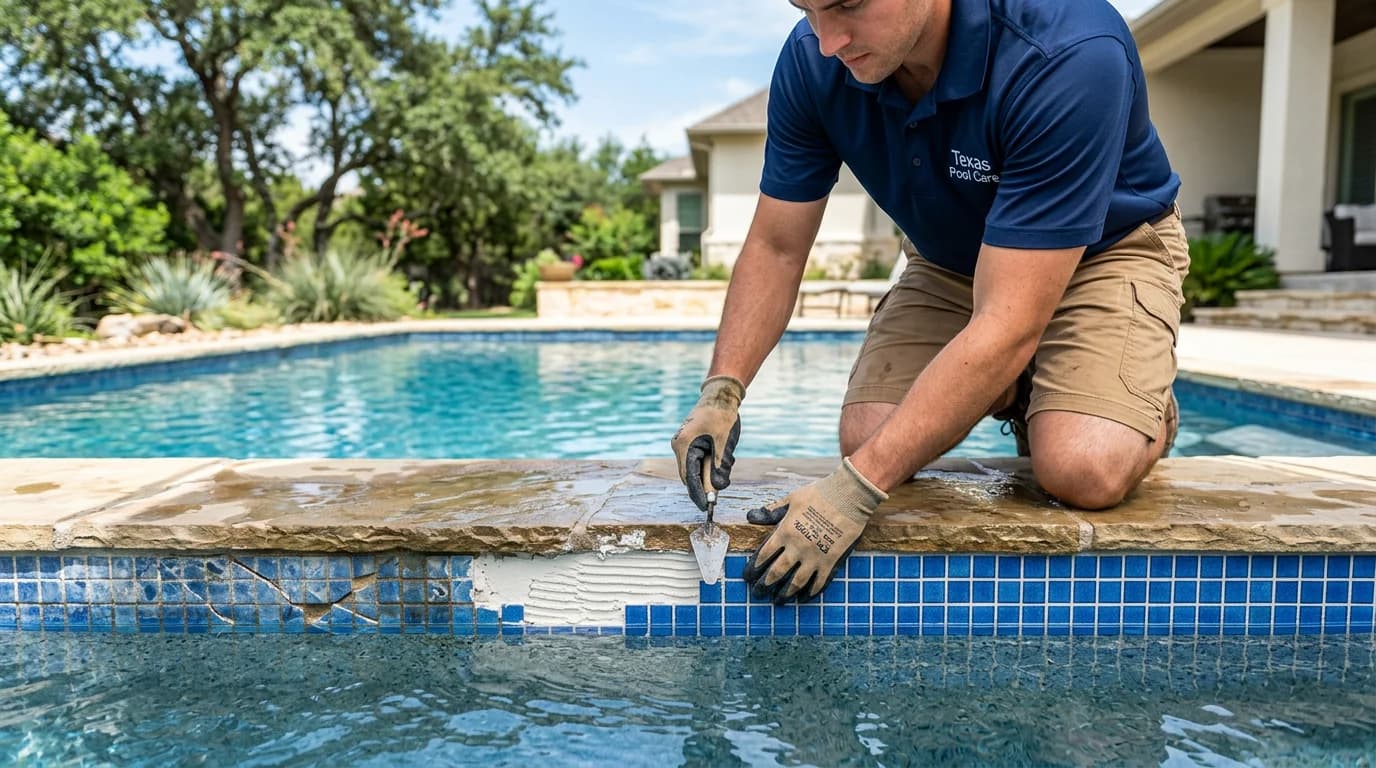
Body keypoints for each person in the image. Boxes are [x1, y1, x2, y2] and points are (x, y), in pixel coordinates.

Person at [670, 0, 1189, 605]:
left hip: (1105, 249)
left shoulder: (1069, 51)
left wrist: (852, 493)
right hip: (951, 261)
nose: (829, 39)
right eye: (808, 9)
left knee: (1082, 466)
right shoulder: (813, 60)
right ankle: (1014, 383)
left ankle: (1136, 406)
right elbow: (777, 247)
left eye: (848, 5)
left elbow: (1008, 319)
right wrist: (721, 392)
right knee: (868, 432)